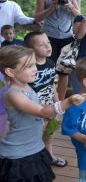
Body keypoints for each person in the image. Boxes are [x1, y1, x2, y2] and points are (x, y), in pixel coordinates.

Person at [0, 45, 85, 182]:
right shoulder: (13, 94)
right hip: (18, 155)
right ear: (10, 71)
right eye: (29, 66)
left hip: (34, 148)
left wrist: (53, 108)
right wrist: (67, 102)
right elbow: (40, 111)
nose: (35, 69)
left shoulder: (26, 86)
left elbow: (38, 106)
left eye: (34, 64)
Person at [34, 0, 80, 101]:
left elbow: (79, 15)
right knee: (46, 70)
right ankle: (46, 101)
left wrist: (70, 6)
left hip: (67, 38)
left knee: (64, 73)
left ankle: (59, 103)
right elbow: (37, 18)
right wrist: (51, 8)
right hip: (48, 38)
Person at [25, 31, 68, 167]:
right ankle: (34, 160)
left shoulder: (50, 63)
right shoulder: (28, 68)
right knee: (35, 134)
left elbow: (51, 86)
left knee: (50, 132)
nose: (48, 46)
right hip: (35, 109)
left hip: (50, 106)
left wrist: (58, 103)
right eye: (42, 45)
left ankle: (49, 154)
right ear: (31, 49)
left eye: (48, 43)